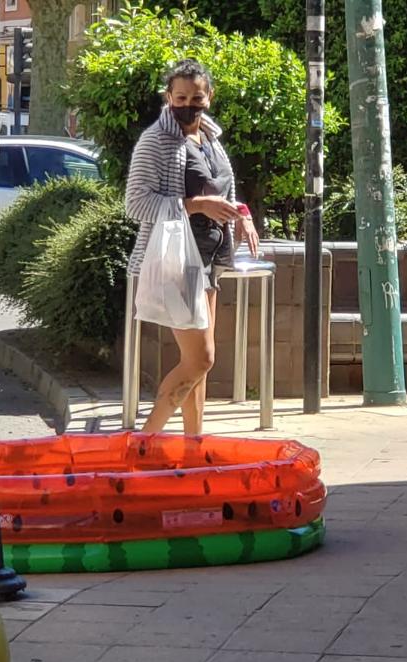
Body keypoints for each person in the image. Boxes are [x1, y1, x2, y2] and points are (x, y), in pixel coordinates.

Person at [125, 59, 259, 435]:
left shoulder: (210, 139)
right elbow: (135, 203)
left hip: (209, 258)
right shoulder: (156, 140)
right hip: (176, 260)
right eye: (180, 97)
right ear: (168, 97)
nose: (188, 104)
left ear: (209, 97)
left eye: (196, 97)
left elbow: (223, 190)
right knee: (202, 358)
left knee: (197, 361)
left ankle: (192, 444)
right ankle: (146, 439)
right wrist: (196, 206)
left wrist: (242, 213)